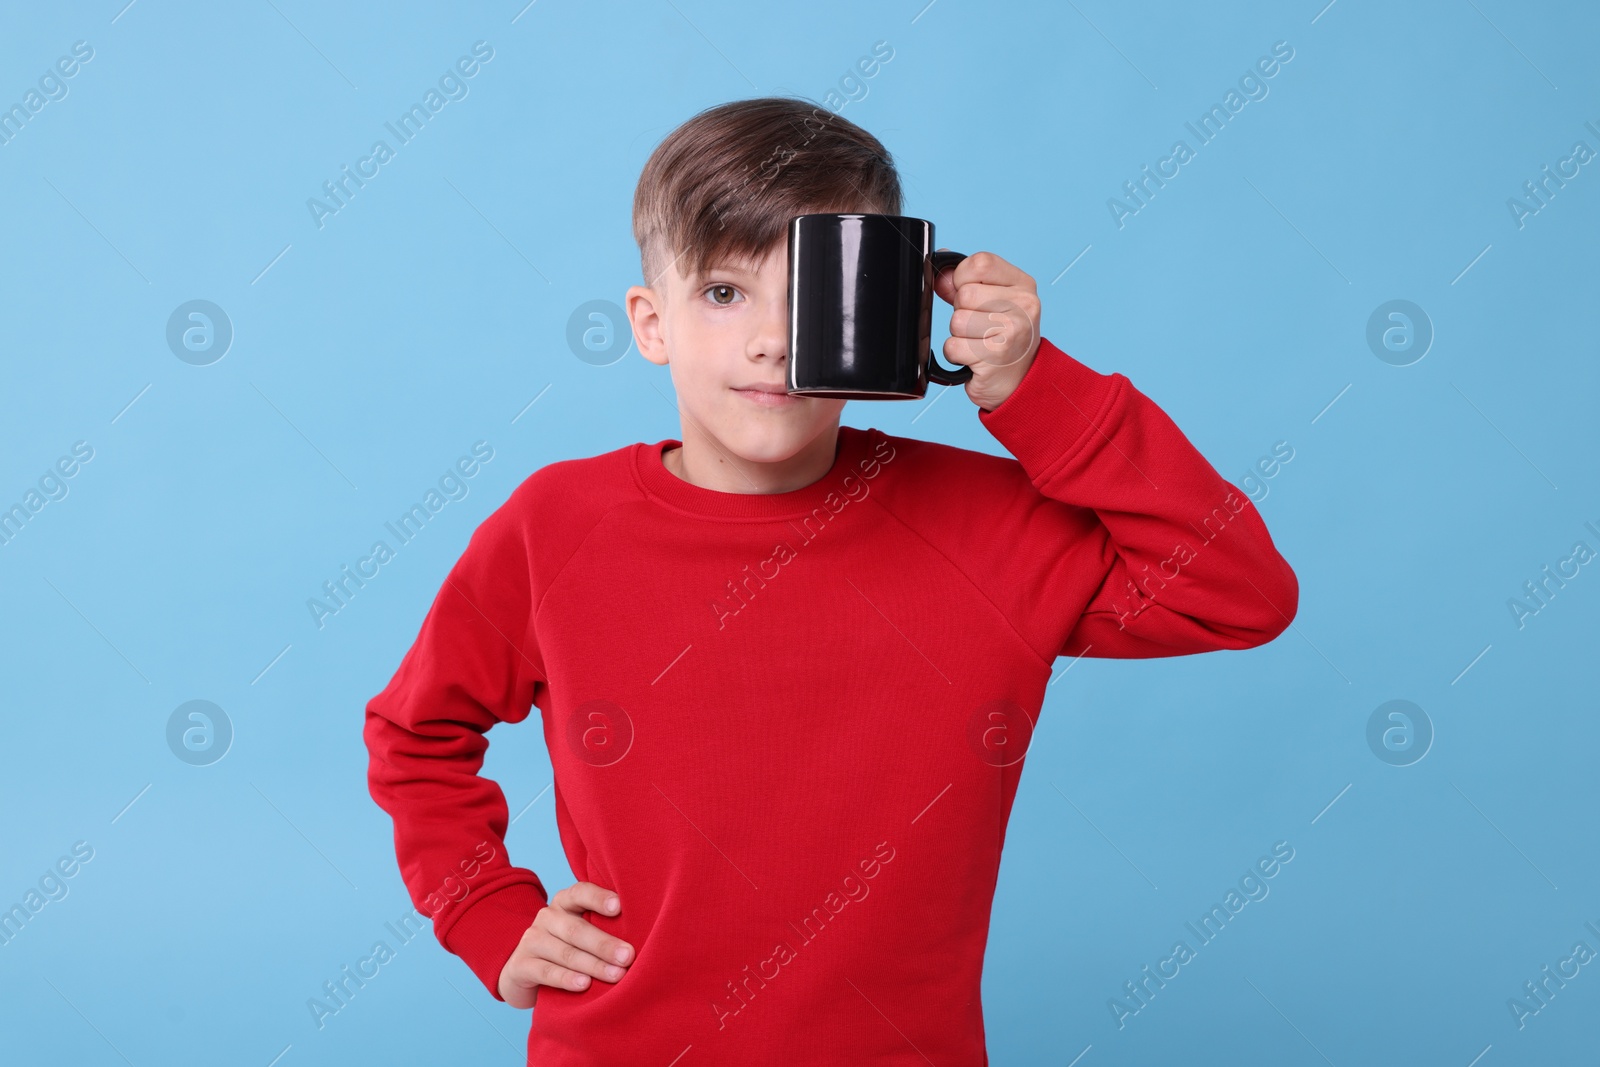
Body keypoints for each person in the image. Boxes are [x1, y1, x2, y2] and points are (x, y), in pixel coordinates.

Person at [364, 95, 1299, 1065]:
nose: (770, 338)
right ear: (651, 323)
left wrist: (1034, 386)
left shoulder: (983, 529)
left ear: (885, 308)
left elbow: (1235, 588)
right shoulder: (554, 526)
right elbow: (415, 731)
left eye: (810, 292)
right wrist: (484, 909)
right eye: (724, 293)